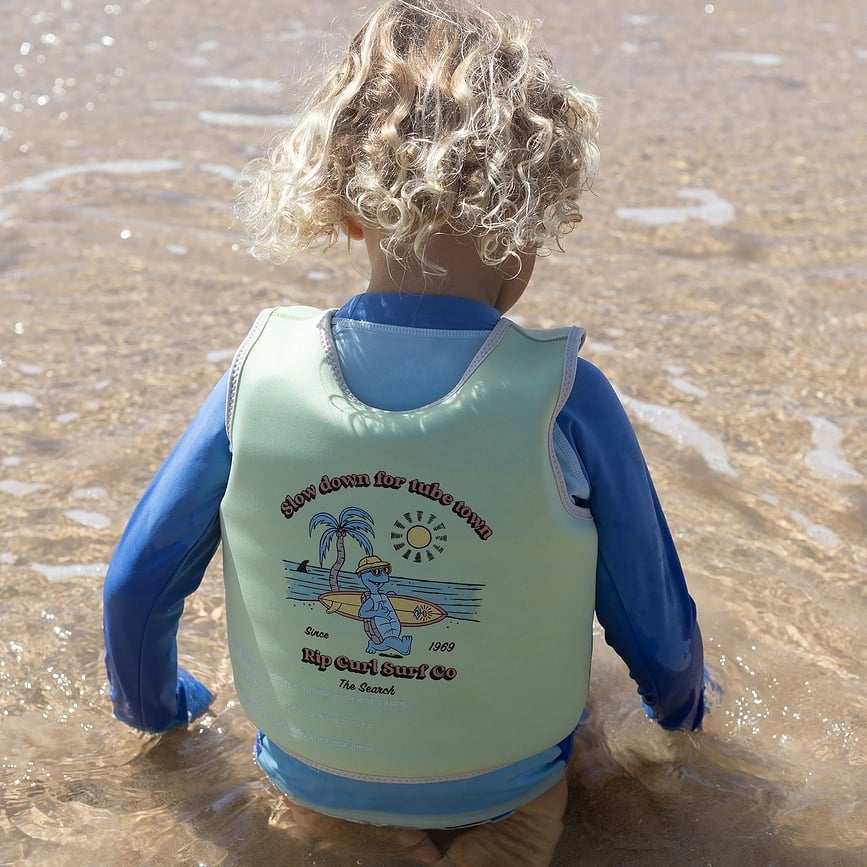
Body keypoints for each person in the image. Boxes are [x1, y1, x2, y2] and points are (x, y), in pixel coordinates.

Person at [102, 1, 708, 864]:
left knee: (321, 812)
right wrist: (683, 716)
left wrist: (161, 709)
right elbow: (654, 628)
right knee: (578, 727)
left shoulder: (255, 378)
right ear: (531, 215)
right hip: (505, 784)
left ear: (345, 209)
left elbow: (136, 584)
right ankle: (495, 830)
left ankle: (345, 824)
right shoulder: (566, 398)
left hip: (308, 770)